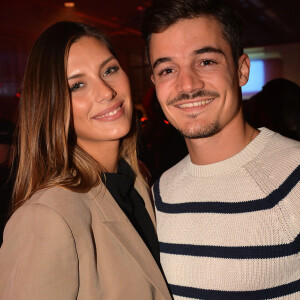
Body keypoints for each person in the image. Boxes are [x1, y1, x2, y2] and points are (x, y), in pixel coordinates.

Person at [0, 21, 172, 300]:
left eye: (110, 69)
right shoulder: (47, 217)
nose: (106, 91)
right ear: (51, 106)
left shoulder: (139, 184)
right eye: (77, 85)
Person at [141, 0, 300, 298]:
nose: (187, 85)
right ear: (155, 83)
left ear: (241, 70)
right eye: (167, 70)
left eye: (206, 61)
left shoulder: (295, 177)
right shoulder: (158, 194)